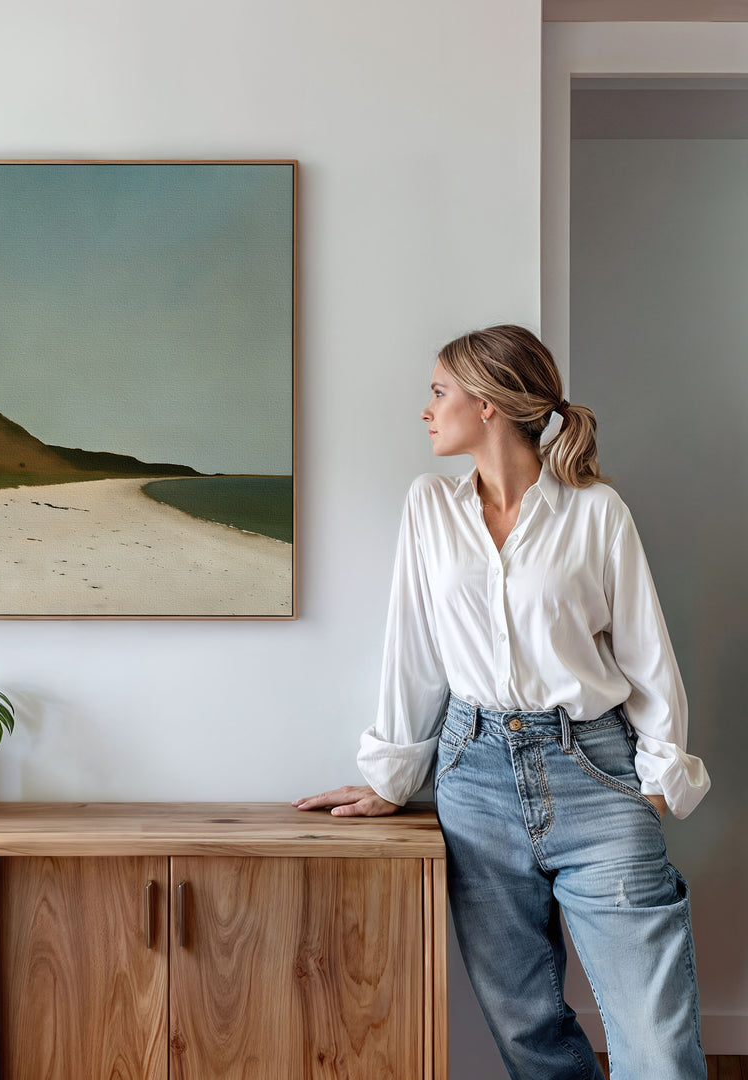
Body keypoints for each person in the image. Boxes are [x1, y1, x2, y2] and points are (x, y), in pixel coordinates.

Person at [294, 325, 710, 1080]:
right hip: (473, 776)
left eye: (438, 391)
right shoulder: (429, 508)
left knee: (657, 1042)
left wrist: (656, 780)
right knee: (528, 1032)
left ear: (487, 405)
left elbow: (648, 655)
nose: (426, 409)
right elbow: (412, 649)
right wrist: (393, 777)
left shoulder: (596, 512)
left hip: (596, 770)